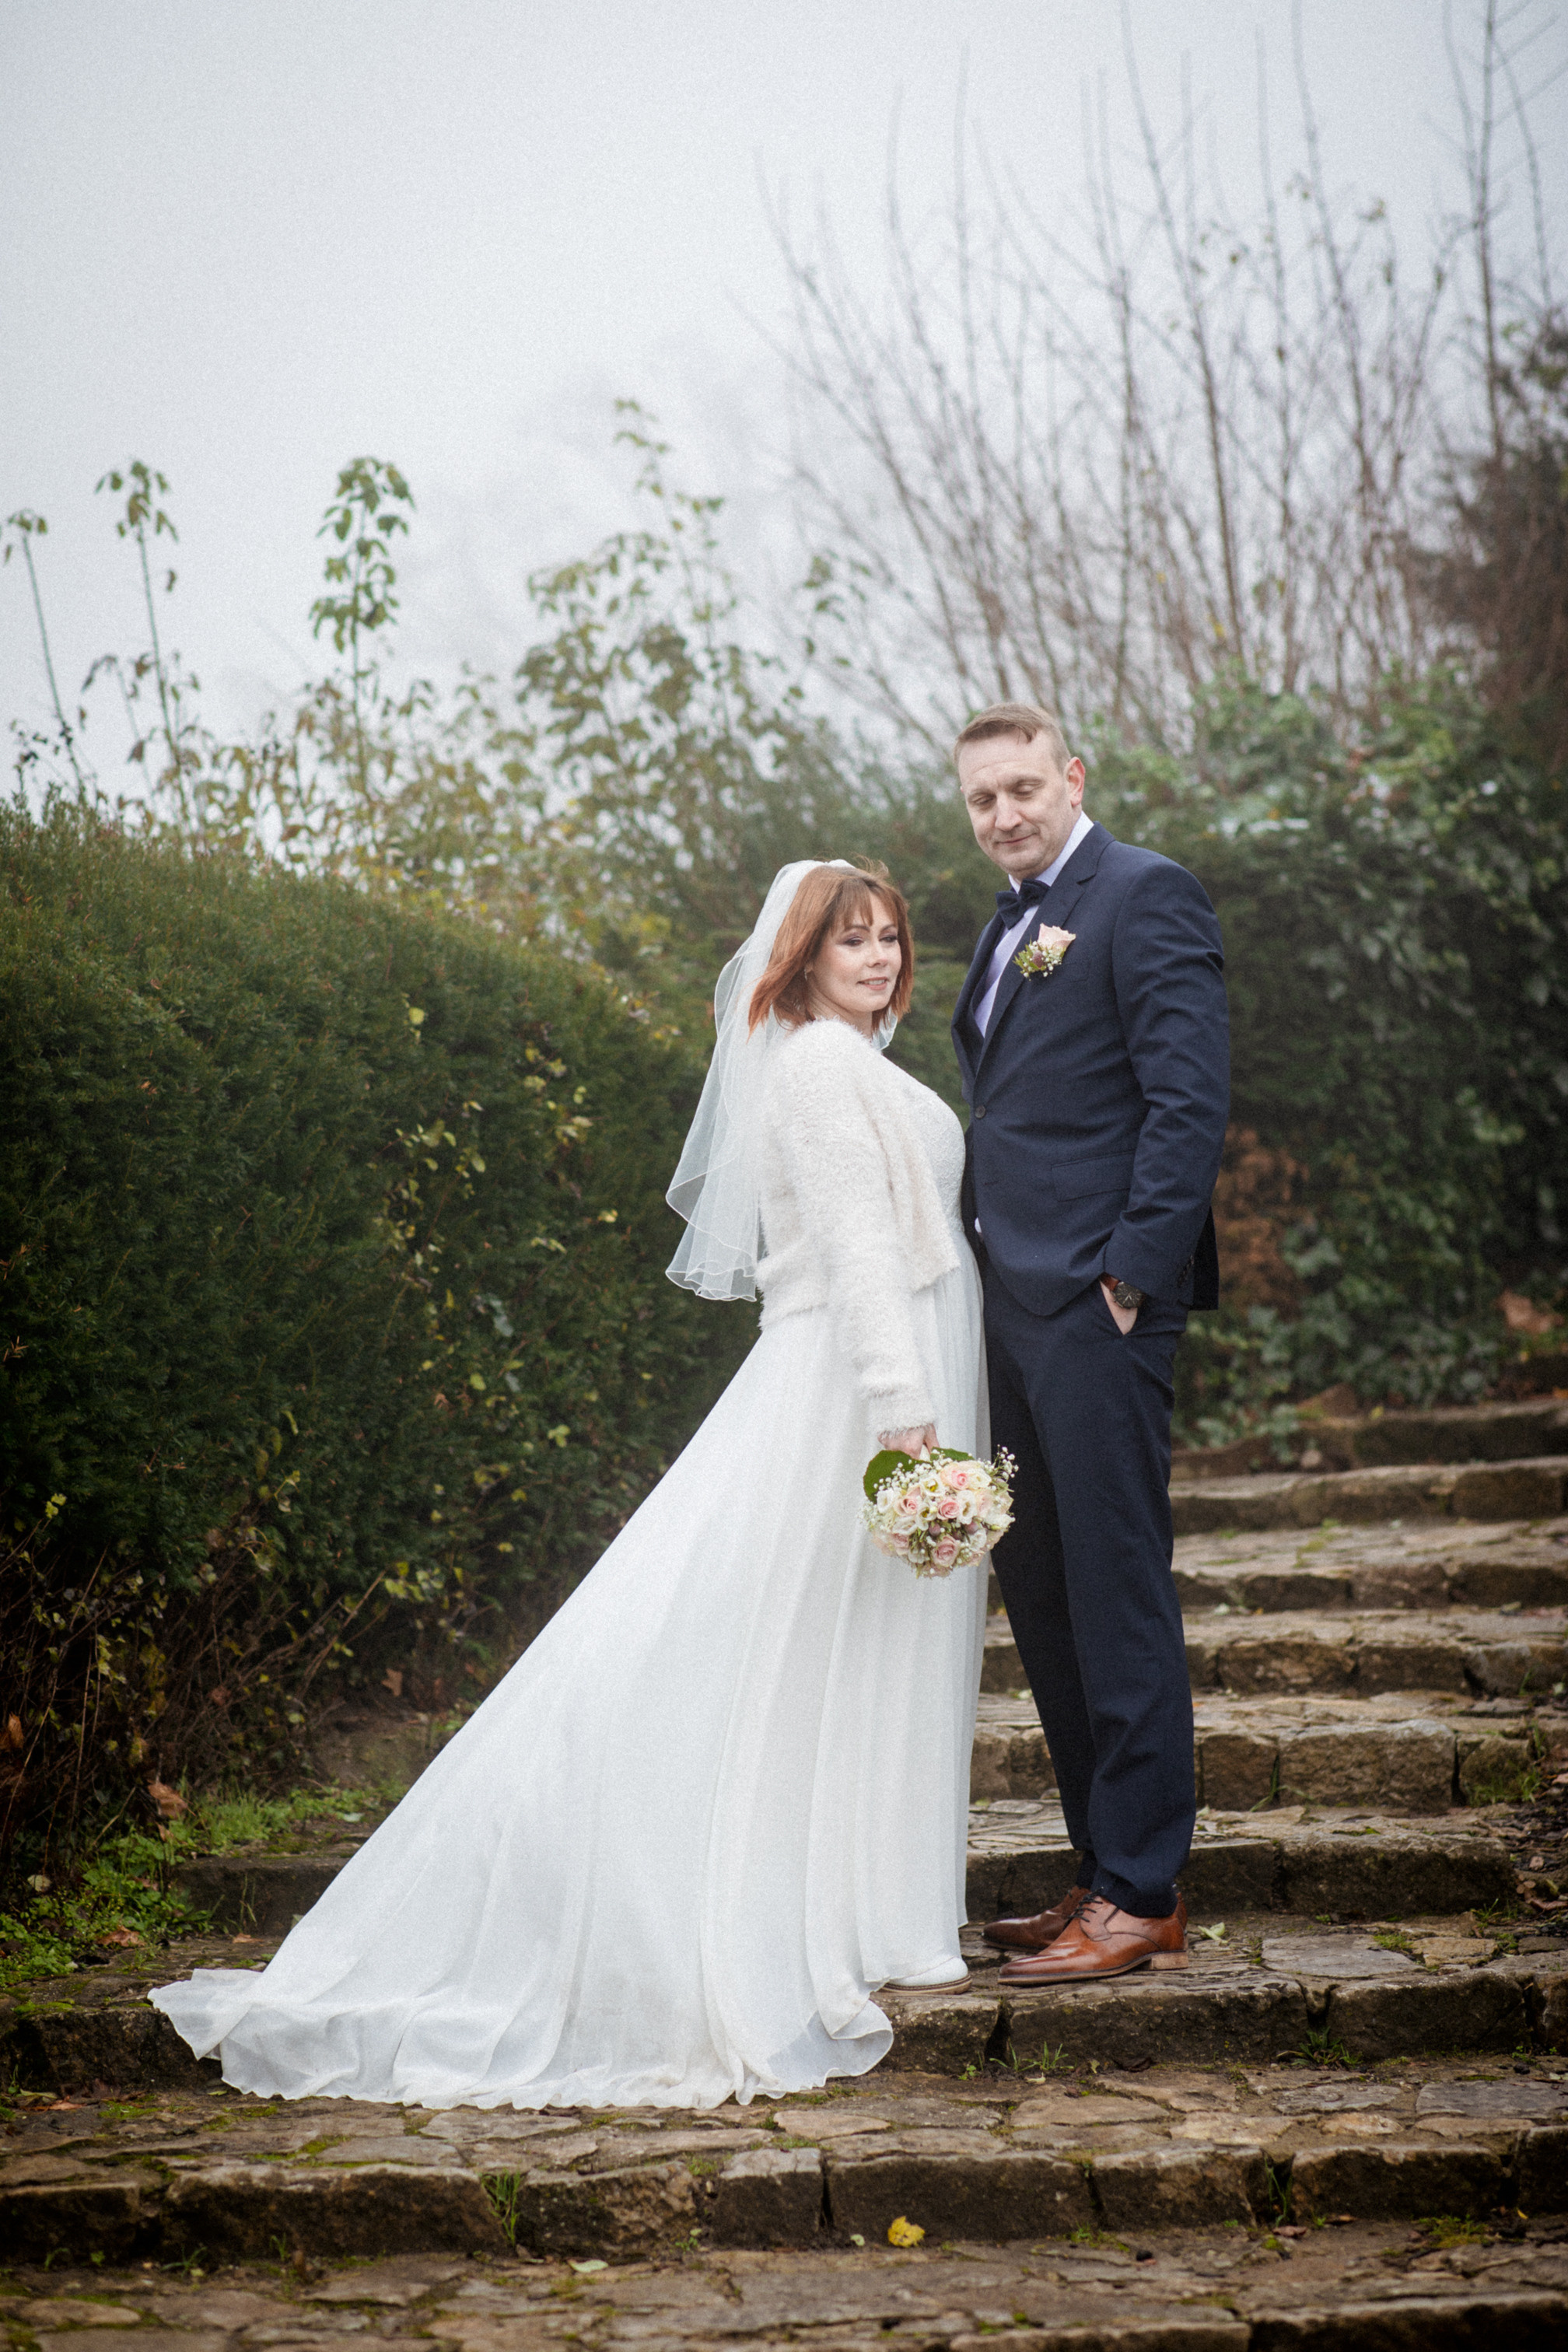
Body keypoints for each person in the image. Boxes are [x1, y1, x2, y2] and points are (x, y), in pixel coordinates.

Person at [152, 860, 989, 2110]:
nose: (877, 955)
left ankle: (861, 1904)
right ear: (804, 955)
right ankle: (719, 1905)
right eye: (849, 938)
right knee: (779, 1642)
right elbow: (863, 1251)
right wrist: (907, 1420)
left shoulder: (856, 1060)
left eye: (889, 937)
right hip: (854, 1393)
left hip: (885, 1377)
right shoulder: (815, 1065)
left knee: (851, 1648)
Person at [950, 703, 1228, 1984]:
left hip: (1099, 1304)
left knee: (1115, 1588)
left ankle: (1145, 1889)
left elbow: (1188, 1098)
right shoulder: (1003, 927)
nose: (1003, 814)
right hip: (1010, 1303)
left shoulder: (1145, 894)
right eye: (980, 800)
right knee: (1048, 1599)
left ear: (1072, 778)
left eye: (1021, 788)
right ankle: (1095, 1869)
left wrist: (1132, 1271)